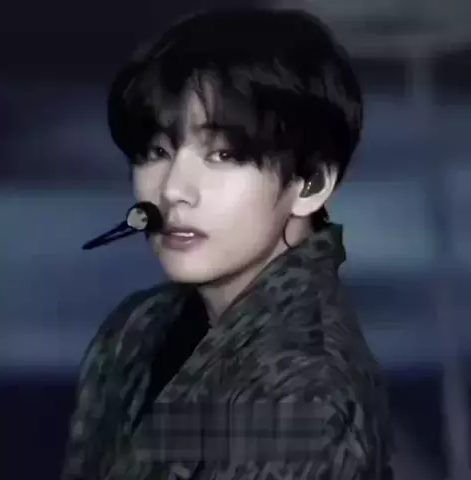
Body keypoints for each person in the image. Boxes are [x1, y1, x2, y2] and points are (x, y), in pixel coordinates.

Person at [61, 8, 394, 480]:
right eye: (157, 151)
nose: (174, 189)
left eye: (223, 154)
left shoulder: (308, 390)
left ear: (312, 183)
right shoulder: (136, 328)